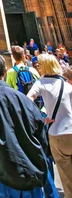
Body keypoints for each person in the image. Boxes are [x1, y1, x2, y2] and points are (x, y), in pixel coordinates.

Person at [0, 52, 48, 198]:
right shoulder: (25, 99)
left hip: (1, 172)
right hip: (31, 173)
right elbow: (41, 134)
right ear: (5, 72)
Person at [28, 54, 72, 198]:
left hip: (57, 133)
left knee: (66, 176)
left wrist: (41, 119)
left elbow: (28, 101)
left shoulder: (41, 83)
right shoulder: (66, 84)